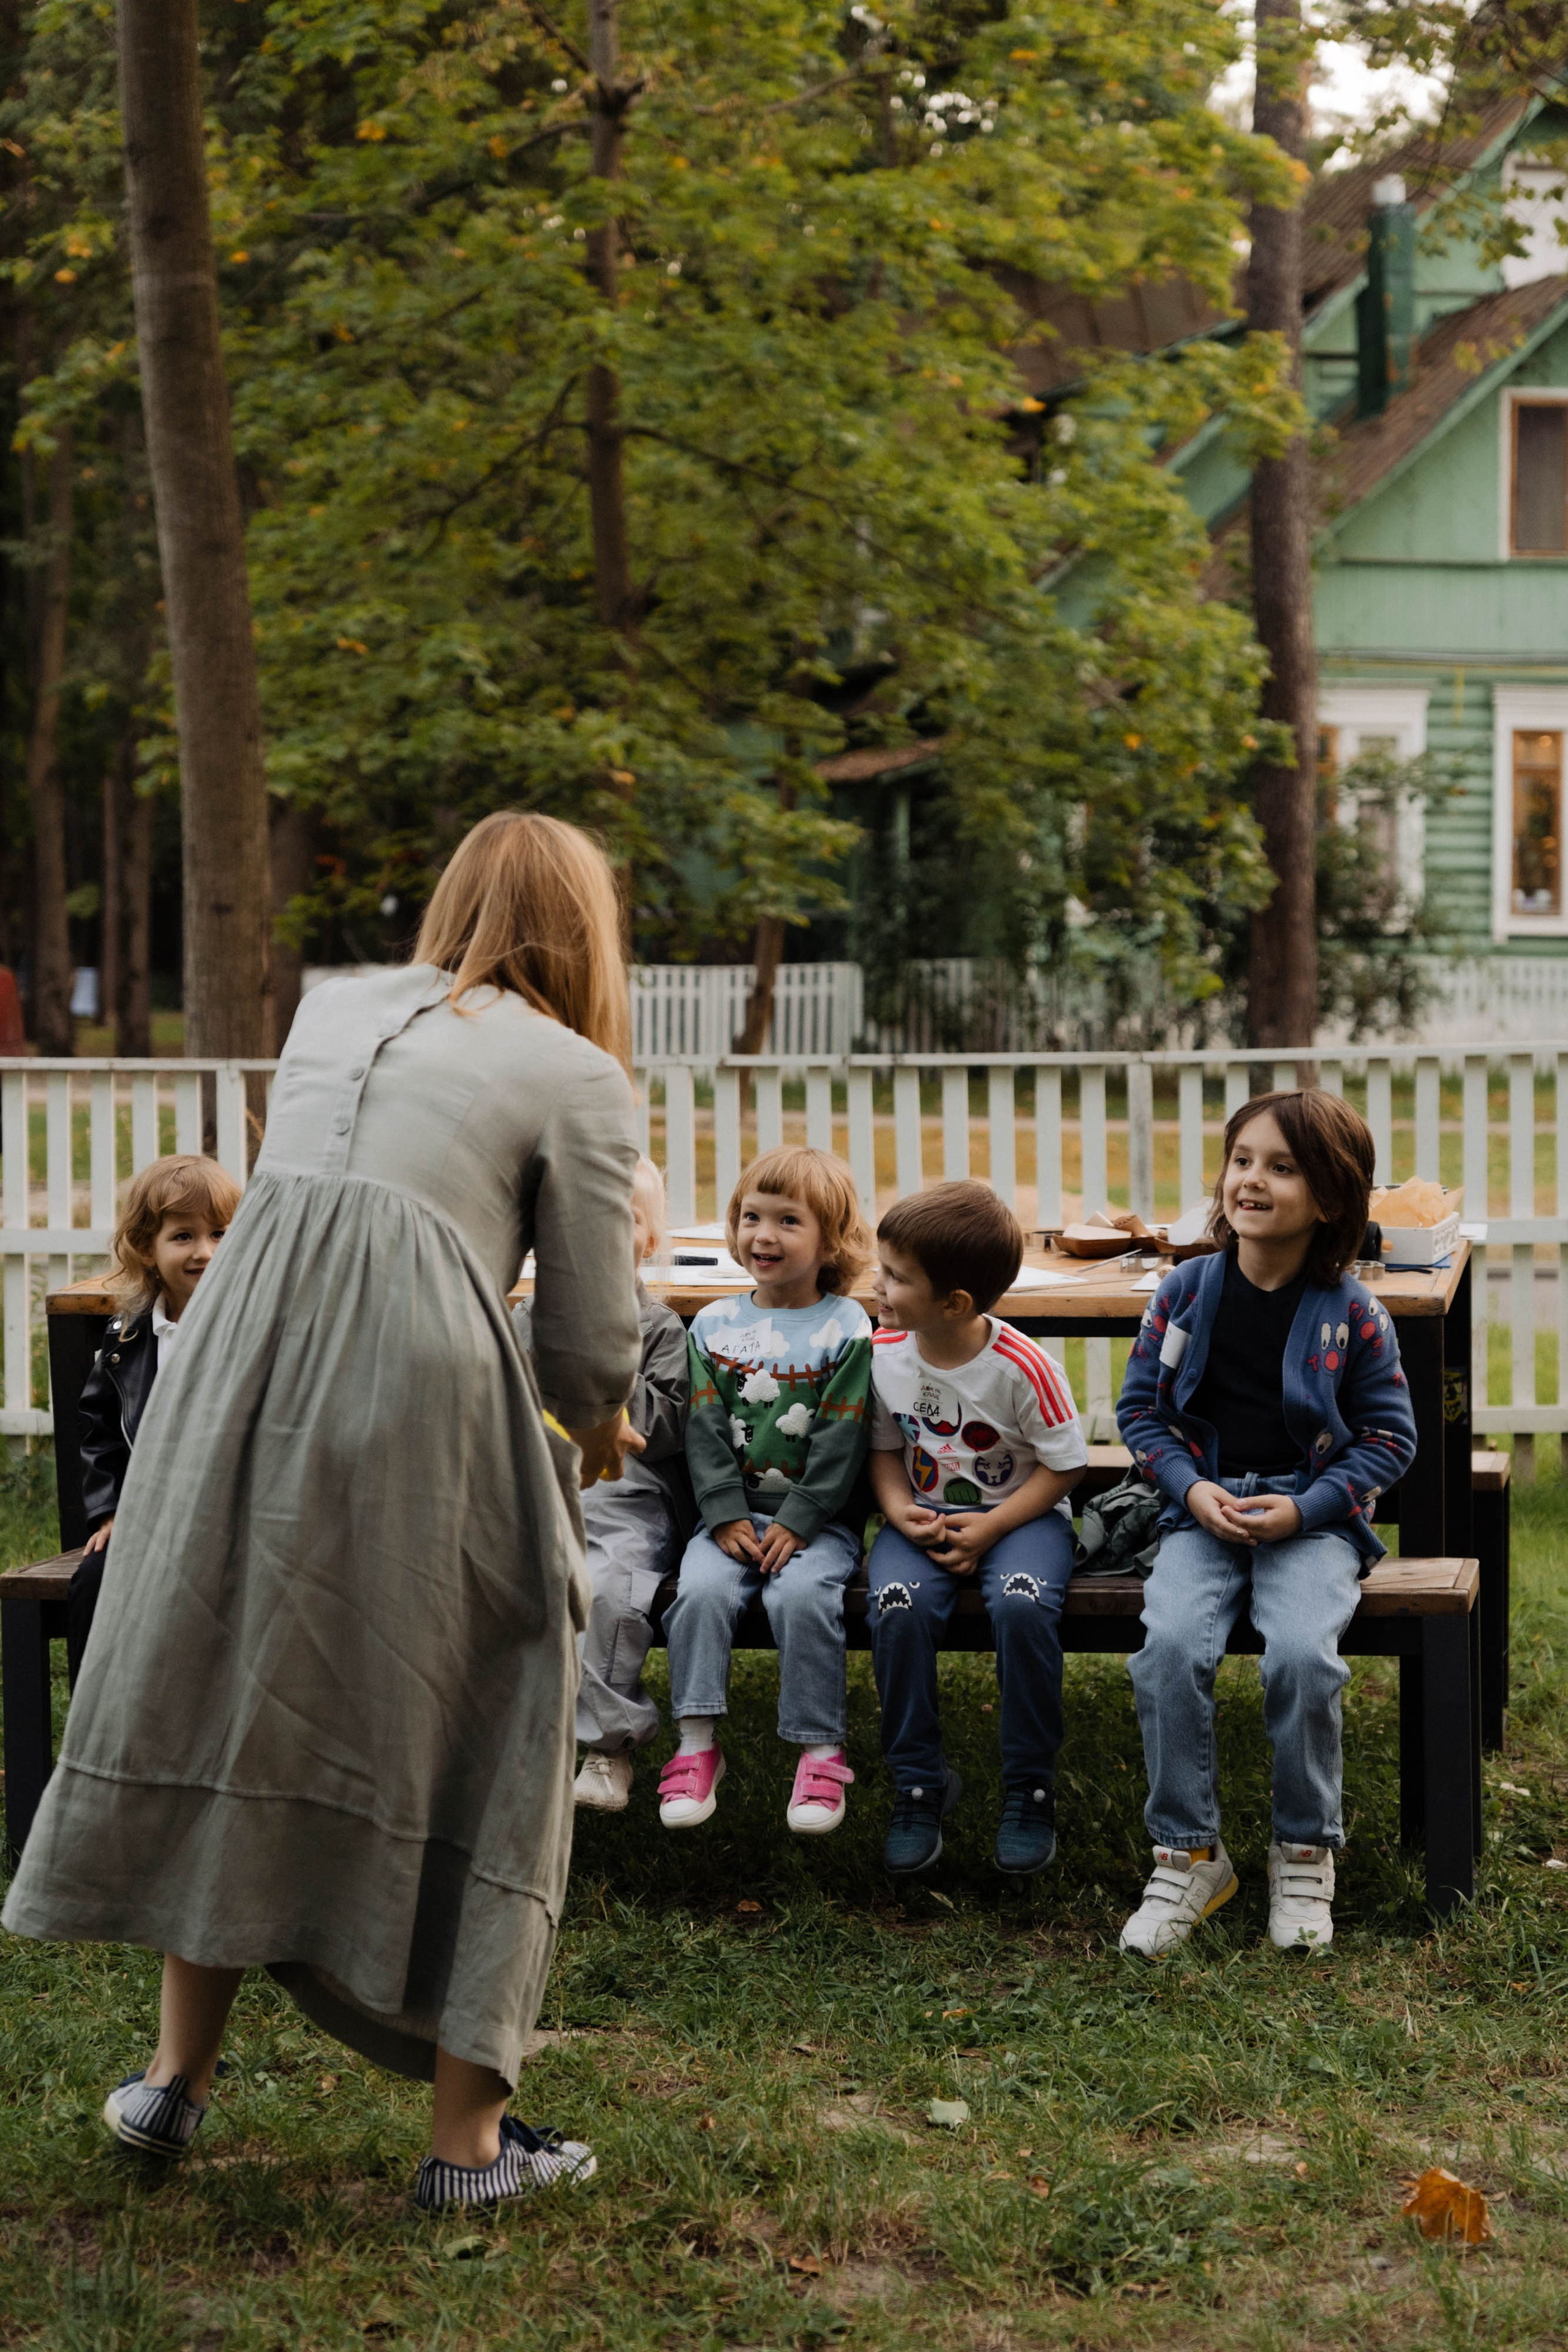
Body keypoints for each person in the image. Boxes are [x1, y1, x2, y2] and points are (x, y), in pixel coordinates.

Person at [4, 811, 646, 2212]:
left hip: (233, 1379)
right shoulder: (576, 1070)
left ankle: (173, 2079)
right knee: (508, 1689)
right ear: (584, 931)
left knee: (243, 1679)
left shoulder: (331, 1006)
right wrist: (596, 1429)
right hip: (417, 1403)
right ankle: (468, 2150)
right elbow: (591, 1350)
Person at [1115, 1090, 1417, 1958]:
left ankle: (1303, 1849)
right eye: (1243, 1159)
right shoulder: (1185, 1292)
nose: (1252, 1180)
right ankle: (1189, 1854)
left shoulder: (1355, 1313)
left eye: (1282, 1167)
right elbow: (1140, 1412)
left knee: (1301, 1656)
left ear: (1329, 1198)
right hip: (1199, 1512)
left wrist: (1309, 1507)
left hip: (1313, 1519)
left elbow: (1391, 1438)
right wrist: (1189, 1487)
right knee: (1168, 1647)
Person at [866, 1181, 1087, 1880]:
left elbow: (1067, 1466)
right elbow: (882, 1446)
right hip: (921, 1518)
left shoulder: (1023, 1368)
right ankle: (919, 1782)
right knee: (896, 1609)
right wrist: (897, 1507)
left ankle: (1029, 1785)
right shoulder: (884, 1351)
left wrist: (990, 1528)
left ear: (954, 1303)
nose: (877, 1286)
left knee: (1021, 1605)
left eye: (896, 1278)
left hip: (1022, 1518)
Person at [657, 1147, 873, 1837]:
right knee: (699, 1593)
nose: (763, 1236)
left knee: (803, 1596)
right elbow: (704, 1426)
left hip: (818, 1524)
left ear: (830, 1239)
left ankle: (819, 1750)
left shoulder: (846, 1327)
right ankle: (695, 1746)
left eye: (788, 1221)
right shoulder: (715, 1326)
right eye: (751, 1217)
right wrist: (721, 1515)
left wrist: (804, 1519)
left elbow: (843, 1437)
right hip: (729, 1520)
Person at [514, 1155, 693, 1813]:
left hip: (627, 1501)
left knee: (611, 1589)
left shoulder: (659, 1329)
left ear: (648, 1242)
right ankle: (509, 1742)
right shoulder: (525, 1320)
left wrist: (598, 1357)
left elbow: (668, 1424)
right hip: (540, 1492)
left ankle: (607, 1746)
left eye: (619, 1222)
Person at [67, 1155, 241, 1686]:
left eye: (219, 1233)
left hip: (235, 1518)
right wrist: (110, 1510)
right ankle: (95, 1730)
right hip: (151, 1519)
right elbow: (99, 1431)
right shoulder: (128, 1339)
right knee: (93, 1582)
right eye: (183, 1237)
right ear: (148, 1248)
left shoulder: (249, 1327)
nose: (205, 1252)